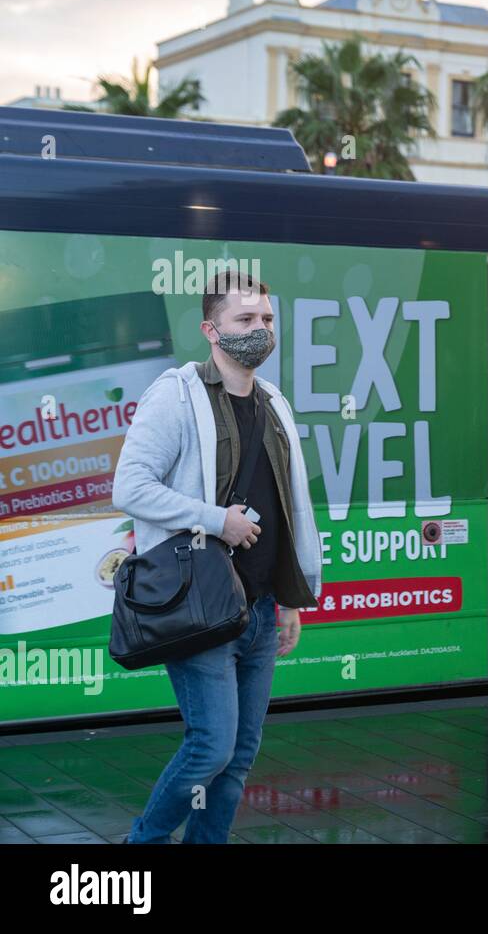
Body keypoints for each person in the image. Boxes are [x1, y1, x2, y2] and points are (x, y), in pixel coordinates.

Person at [112, 270, 321, 843]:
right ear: (211, 329)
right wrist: (215, 520)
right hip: (201, 607)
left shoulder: (274, 403)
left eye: (268, 320)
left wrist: (291, 599)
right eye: (245, 320)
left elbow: (287, 509)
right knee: (211, 747)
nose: (260, 330)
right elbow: (128, 488)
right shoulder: (176, 394)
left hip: (258, 609)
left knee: (239, 758)